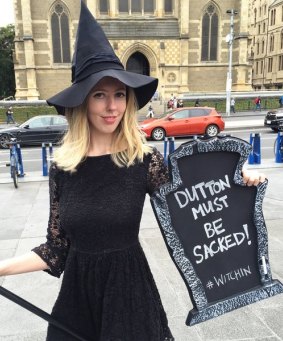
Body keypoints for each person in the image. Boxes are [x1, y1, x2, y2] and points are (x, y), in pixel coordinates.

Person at [0, 2, 265, 341]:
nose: (112, 106)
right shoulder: (62, 167)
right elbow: (56, 249)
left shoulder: (144, 160)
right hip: (78, 300)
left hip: (129, 296)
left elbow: (194, 204)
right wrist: (2, 267)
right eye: (99, 94)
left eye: (119, 94)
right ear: (82, 102)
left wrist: (239, 184)